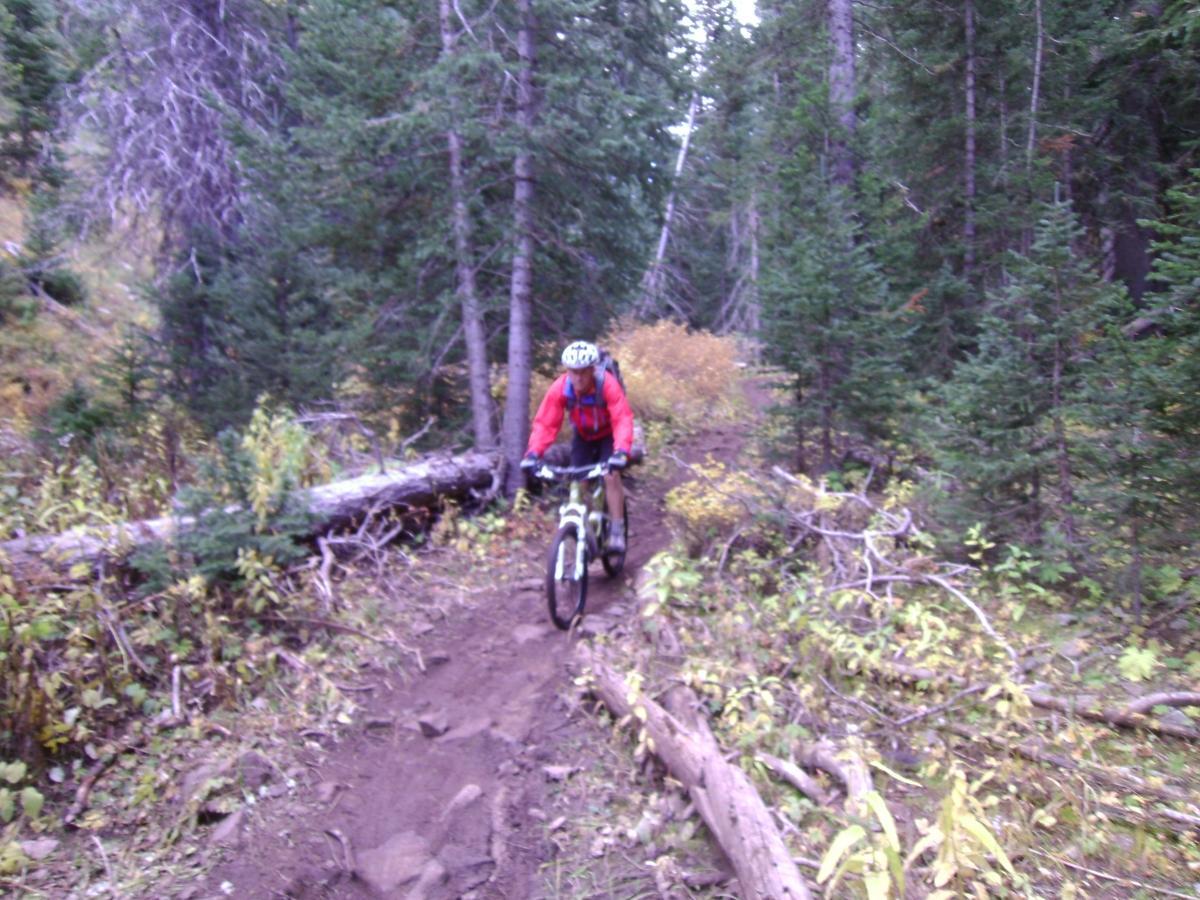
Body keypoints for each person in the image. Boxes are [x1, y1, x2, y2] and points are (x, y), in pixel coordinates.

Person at [521, 340, 634, 553]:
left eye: (583, 372)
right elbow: (546, 423)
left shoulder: (607, 384)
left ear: (593, 369)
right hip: (582, 435)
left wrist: (621, 452)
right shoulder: (561, 388)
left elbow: (622, 419)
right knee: (577, 480)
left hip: (609, 435)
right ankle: (585, 526)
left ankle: (617, 531)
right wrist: (534, 453)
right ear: (567, 371)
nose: (578, 377)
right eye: (573, 372)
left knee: (611, 476)